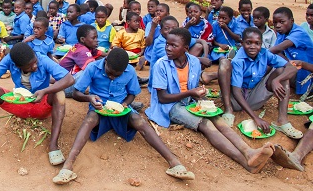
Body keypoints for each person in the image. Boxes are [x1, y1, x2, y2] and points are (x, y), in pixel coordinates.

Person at [52, 48, 195, 185]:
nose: (112, 77)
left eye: (117, 75)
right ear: (106, 61)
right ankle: (68, 167)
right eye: (110, 73)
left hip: (121, 108)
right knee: (89, 120)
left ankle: (174, 163)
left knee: (139, 121)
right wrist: (90, 98)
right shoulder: (93, 68)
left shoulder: (130, 71)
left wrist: (126, 104)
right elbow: (77, 93)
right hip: (99, 108)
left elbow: (132, 93)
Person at [145, 27, 275, 174]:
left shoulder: (193, 62)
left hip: (190, 101)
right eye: (167, 44)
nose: (168, 48)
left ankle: (249, 151)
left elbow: (192, 87)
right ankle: (244, 161)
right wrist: (190, 92)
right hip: (171, 106)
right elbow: (162, 98)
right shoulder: (161, 65)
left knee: (217, 119)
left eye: (174, 46)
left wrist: (200, 94)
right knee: (206, 125)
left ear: (185, 48)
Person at [0, 42, 74, 165]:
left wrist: (45, 91)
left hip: (41, 106)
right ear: (17, 66)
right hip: (19, 104)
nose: (35, 66)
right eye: (30, 66)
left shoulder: (42, 58)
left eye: (35, 62)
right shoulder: (10, 60)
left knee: (59, 94)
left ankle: (53, 146)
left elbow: (69, 79)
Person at [218, 27, 302, 139]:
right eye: (248, 43)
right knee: (224, 63)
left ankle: (282, 121)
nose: (253, 46)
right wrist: (255, 118)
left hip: (254, 98)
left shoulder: (265, 53)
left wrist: (277, 80)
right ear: (242, 43)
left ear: (261, 44)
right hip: (236, 101)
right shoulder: (239, 60)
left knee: (281, 71)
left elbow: (291, 67)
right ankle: (228, 111)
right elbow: (237, 92)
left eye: (257, 43)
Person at [270, 7, 313, 95]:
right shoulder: (282, 32)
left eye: (282, 22)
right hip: (296, 70)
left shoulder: (299, 32)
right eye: (275, 23)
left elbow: (276, 49)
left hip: (308, 75)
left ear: (291, 21)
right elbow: (276, 52)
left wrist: (258, 52)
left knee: (290, 65)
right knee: (276, 62)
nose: (277, 25)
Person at [59, 24, 105, 97]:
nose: (97, 40)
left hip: (65, 82)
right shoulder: (82, 51)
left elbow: (99, 53)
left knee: (99, 61)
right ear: (83, 39)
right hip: (64, 88)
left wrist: (109, 55)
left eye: (97, 37)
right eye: (93, 38)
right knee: (90, 70)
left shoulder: (85, 46)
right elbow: (93, 68)